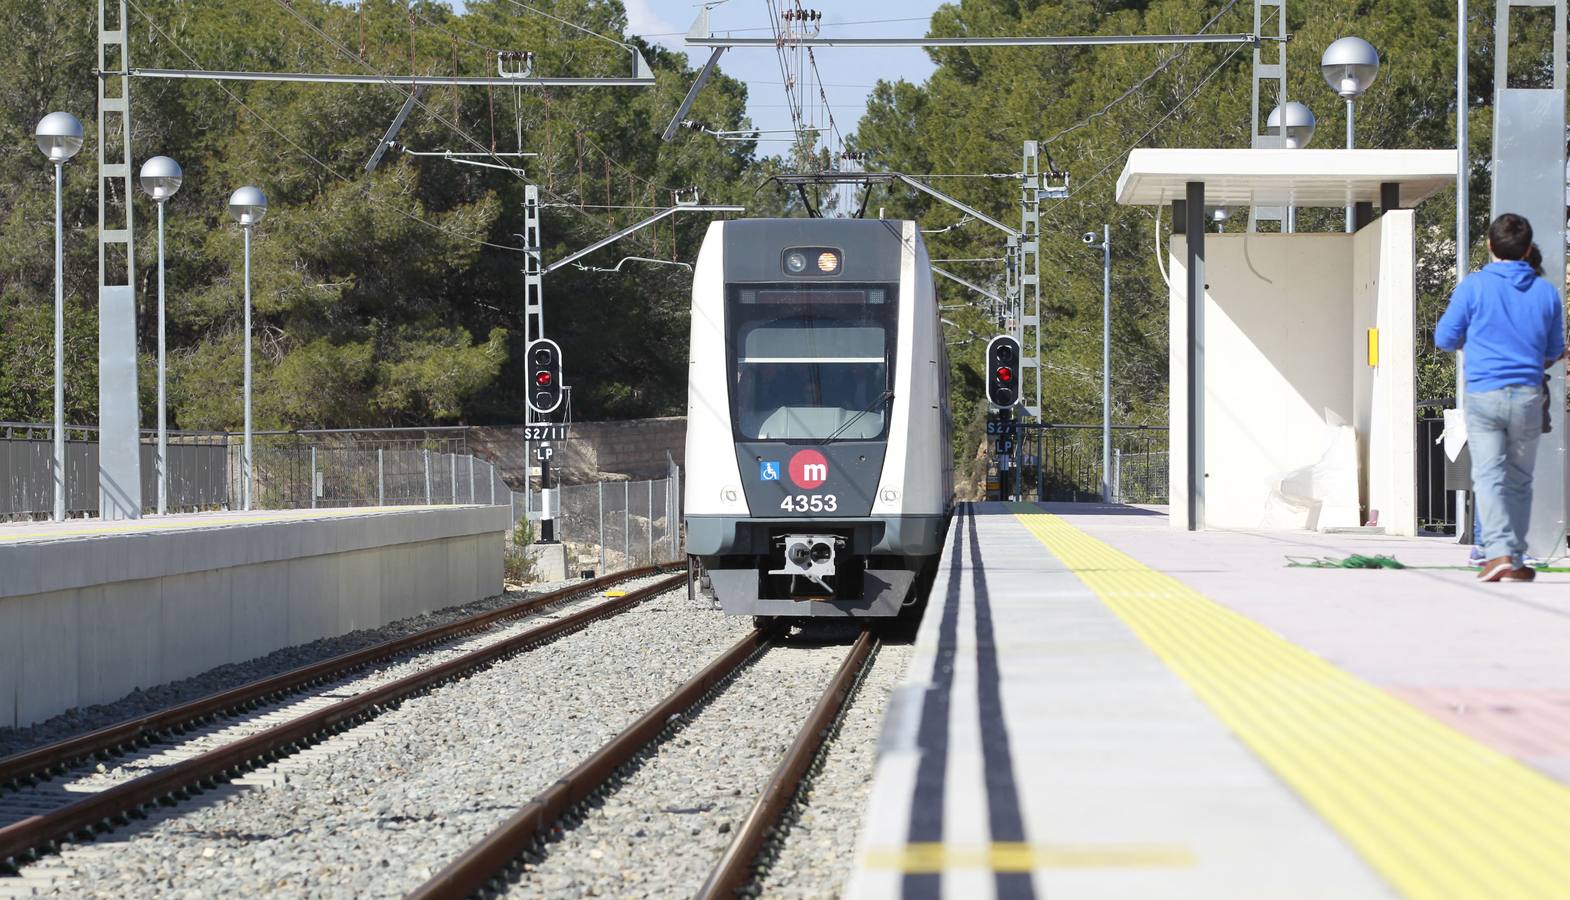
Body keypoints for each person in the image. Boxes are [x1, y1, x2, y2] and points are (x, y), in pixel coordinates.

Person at [1437, 215, 1565, 582]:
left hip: (1484, 393)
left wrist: (1474, 341)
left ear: (1490, 246)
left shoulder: (1472, 287)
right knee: (1520, 479)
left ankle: (1496, 554)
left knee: (1489, 476)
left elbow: (1445, 338)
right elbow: (1554, 349)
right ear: (1527, 250)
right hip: (1527, 395)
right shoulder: (1546, 293)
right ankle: (1516, 555)